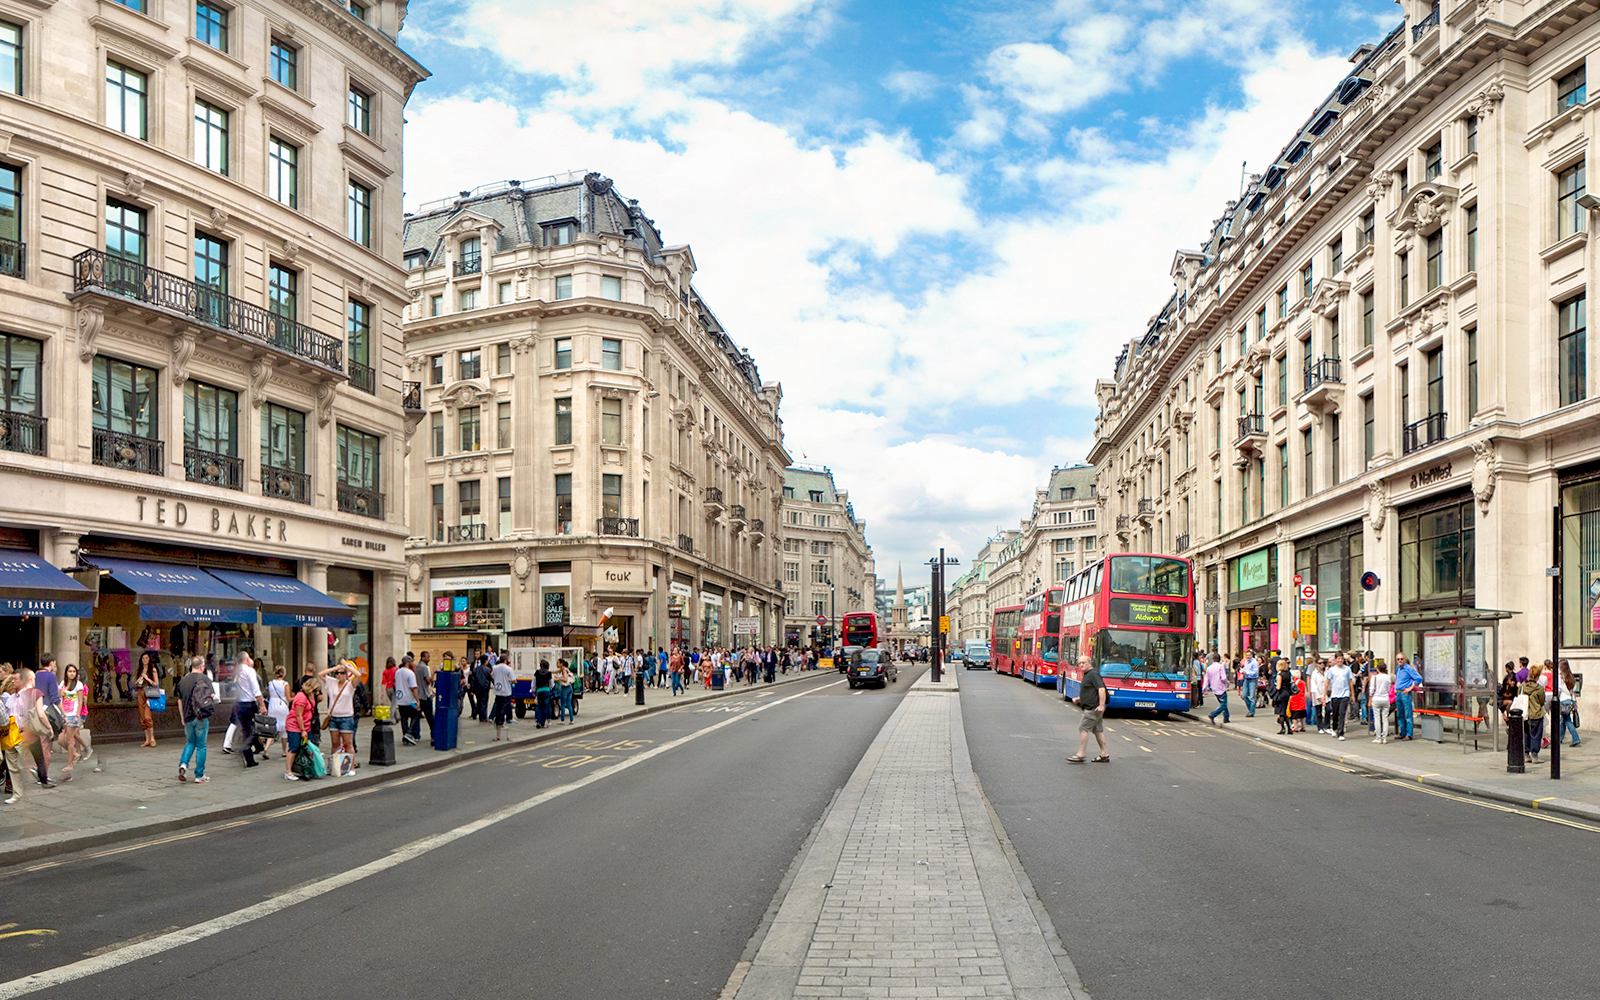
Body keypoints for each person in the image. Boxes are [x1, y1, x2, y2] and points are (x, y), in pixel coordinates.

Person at [176, 656, 214, 784]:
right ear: (202, 667)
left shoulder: (183, 681)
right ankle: (199, 775)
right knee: (201, 746)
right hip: (201, 717)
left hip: (188, 717)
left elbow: (180, 701)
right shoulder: (204, 679)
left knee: (190, 742)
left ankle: (183, 764)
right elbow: (212, 696)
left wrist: (182, 717)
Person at [1066, 654, 1110, 763]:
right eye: (1079, 663)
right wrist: (1079, 699)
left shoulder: (1093, 674)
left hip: (1093, 708)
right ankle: (1104, 754)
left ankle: (1081, 754)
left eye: (1083, 663)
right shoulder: (1088, 674)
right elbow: (1091, 692)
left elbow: (1101, 689)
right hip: (1094, 708)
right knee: (1098, 730)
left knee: (1083, 728)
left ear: (1090, 663)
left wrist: (1101, 705)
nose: (1081, 665)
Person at [282, 670, 316, 781]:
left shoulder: (310, 695)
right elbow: (298, 715)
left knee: (308, 746)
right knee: (294, 747)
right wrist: (302, 730)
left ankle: (303, 767)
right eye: (315, 690)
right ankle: (288, 771)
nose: (317, 693)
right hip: (295, 726)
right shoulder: (301, 697)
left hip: (306, 725)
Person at [58, 664, 90, 778]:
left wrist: (77, 715)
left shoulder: (79, 684)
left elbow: (81, 701)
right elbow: (57, 696)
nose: (72, 673)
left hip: (73, 715)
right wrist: (60, 693)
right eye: (70, 671)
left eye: (74, 671)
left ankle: (70, 764)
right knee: (60, 740)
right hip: (64, 714)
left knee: (69, 740)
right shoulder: (62, 683)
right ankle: (75, 754)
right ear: (66, 673)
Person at [324, 660, 359, 761]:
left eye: (342, 673)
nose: (339, 675)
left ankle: (351, 766)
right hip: (333, 718)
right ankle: (335, 766)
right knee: (335, 744)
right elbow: (320, 674)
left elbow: (358, 675)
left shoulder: (350, 685)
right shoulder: (332, 682)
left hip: (346, 718)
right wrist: (335, 668)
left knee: (348, 744)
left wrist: (346, 666)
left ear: (346, 674)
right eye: (337, 673)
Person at [1, 670, 24, 804]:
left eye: (16, 679)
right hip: (11, 734)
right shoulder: (10, 698)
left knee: (22, 764)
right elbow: (6, 716)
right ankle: (17, 793)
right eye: (12, 679)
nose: (13, 681)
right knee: (12, 766)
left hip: (22, 734)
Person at [261, 665, 290, 760]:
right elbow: (288, 698)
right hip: (282, 705)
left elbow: (270, 695)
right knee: (284, 728)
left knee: (272, 727)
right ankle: (284, 750)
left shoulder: (271, 683)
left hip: (272, 705)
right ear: (284, 673)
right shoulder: (285, 684)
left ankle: (266, 748)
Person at [134, 651, 161, 748]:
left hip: (149, 693)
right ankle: (147, 739)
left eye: (146, 658)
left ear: (149, 659)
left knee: (147, 716)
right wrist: (138, 681)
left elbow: (156, 684)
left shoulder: (153, 669)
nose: (144, 660)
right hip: (141, 692)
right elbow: (136, 684)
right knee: (142, 717)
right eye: (143, 658)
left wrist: (147, 678)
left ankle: (152, 738)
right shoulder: (140, 670)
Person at [1523, 662, 1548, 764]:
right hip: (1536, 713)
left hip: (1525, 713)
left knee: (1526, 733)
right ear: (1537, 677)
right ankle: (1534, 755)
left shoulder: (1523, 686)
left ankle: (1526, 754)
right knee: (1536, 735)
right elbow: (1542, 701)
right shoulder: (1539, 688)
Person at [1393, 654, 1423, 742]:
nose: (1400, 660)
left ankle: (1409, 734)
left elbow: (1418, 678)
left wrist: (1410, 688)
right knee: (1400, 714)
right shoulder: (1398, 668)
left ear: (1405, 659)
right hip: (1398, 693)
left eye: (1401, 659)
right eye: (1398, 659)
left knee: (1407, 714)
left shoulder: (1408, 668)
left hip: (1405, 693)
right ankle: (1402, 732)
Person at [1325, 655, 1353, 741]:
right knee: (1335, 714)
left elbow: (1350, 682)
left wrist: (1352, 694)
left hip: (1345, 694)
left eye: (1342, 658)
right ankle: (1334, 728)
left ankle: (1341, 733)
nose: (1340, 660)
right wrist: (1324, 695)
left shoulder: (1347, 669)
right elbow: (1327, 682)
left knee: (1342, 713)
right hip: (1335, 695)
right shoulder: (1332, 670)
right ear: (1336, 660)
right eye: (1338, 658)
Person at [393, 656, 420, 746]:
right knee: (416, 715)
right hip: (410, 700)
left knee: (404, 719)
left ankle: (405, 734)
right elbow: (413, 688)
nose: (413, 663)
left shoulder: (397, 672)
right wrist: (417, 700)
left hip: (400, 699)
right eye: (412, 662)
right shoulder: (410, 673)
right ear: (408, 663)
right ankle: (409, 733)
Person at [490, 654, 515, 741]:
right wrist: (513, 682)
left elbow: (492, 676)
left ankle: (498, 733)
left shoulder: (495, 668)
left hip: (498, 691)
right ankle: (506, 726)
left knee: (498, 709)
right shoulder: (508, 669)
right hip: (506, 692)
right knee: (505, 710)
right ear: (506, 660)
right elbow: (513, 680)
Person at [1558, 660, 1582, 748]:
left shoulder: (1561, 677)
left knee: (1567, 721)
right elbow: (1573, 692)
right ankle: (1559, 738)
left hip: (1563, 700)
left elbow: (1559, 690)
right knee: (1562, 720)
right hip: (1570, 700)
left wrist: (1555, 699)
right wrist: (1574, 701)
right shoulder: (1572, 677)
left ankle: (1576, 738)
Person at [1368, 660, 1393, 744]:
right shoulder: (1388, 677)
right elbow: (1388, 688)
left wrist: (1371, 696)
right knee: (1385, 718)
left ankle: (1378, 737)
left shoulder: (1375, 677)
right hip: (1385, 698)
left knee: (1377, 718)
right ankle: (1384, 738)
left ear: (1377, 669)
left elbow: (1371, 689)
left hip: (1376, 698)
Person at [1203, 654, 1230, 725]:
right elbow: (1223, 678)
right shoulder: (1220, 667)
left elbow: (1206, 680)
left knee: (1222, 703)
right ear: (1219, 659)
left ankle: (1226, 718)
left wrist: (1204, 689)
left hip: (1214, 688)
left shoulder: (1209, 668)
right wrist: (1227, 683)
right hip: (1221, 688)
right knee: (1224, 704)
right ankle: (1213, 714)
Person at [415, 652, 435, 741]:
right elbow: (428, 680)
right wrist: (433, 673)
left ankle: (416, 735)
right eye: (428, 657)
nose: (429, 659)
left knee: (416, 717)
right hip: (425, 695)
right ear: (423, 657)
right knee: (430, 718)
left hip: (417, 696)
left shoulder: (416, 667)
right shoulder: (425, 668)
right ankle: (434, 735)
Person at [533, 659, 553, 729]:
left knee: (539, 706)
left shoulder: (537, 673)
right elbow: (552, 684)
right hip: (546, 691)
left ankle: (538, 722)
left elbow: (533, 682)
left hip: (539, 691)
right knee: (545, 707)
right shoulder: (549, 673)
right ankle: (543, 724)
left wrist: (533, 690)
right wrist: (550, 688)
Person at [1288, 667, 1307, 734]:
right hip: (1302, 700)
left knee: (1294, 716)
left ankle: (1295, 727)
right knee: (1302, 715)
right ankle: (1303, 727)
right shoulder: (1303, 682)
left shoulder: (1293, 683)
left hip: (1295, 700)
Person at [1240, 653, 1260, 717]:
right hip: (1246, 679)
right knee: (1244, 696)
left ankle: (1251, 712)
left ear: (1252, 655)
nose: (1247, 656)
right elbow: (1244, 670)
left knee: (1252, 696)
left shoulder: (1254, 662)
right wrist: (1242, 672)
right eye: (1246, 655)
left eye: (1249, 655)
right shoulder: (1246, 662)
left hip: (1253, 680)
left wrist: (1246, 673)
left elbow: (1255, 672)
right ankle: (1251, 708)